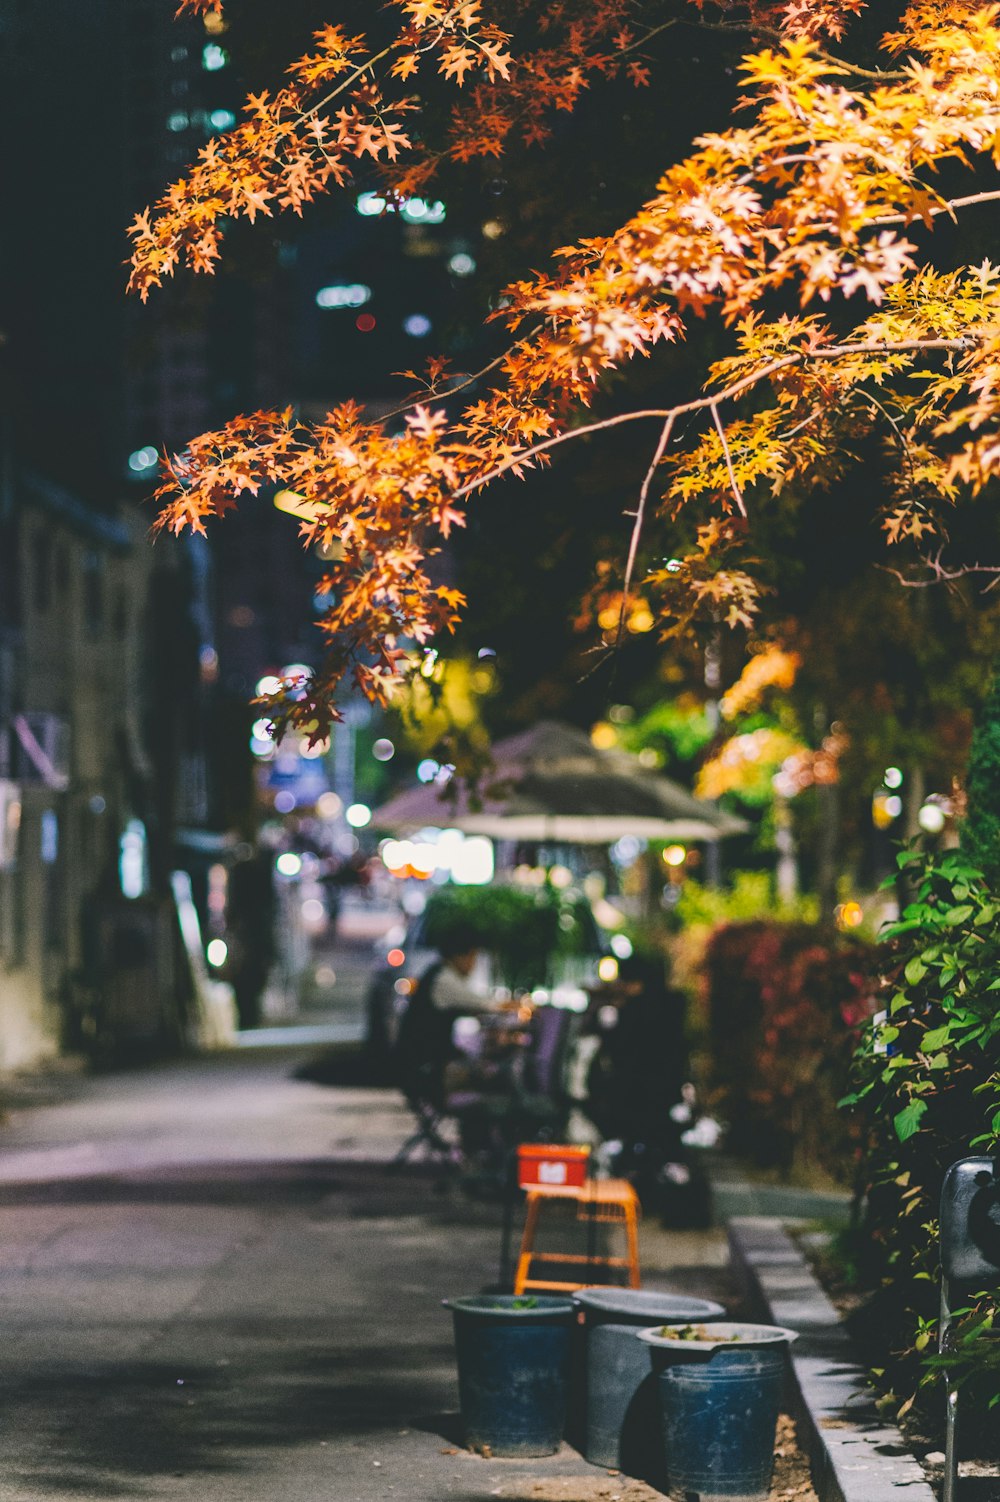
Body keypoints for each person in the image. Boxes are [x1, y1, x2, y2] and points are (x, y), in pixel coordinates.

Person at [393, 923, 495, 1107]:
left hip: (418, 1064)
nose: (474, 965)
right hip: (427, 1069)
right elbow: (482, 1004)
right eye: (473, 957)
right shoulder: (444, 979)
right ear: (460, 956)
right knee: (493, 1075)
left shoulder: (437, 973)